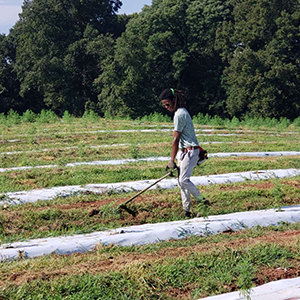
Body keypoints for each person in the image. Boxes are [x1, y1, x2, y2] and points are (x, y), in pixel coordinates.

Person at [159, 88, 208, 218]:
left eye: (167, 104)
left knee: (184, 180)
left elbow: (176, 139)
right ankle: (186, 210)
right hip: (184, 151)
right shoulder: (180, 113)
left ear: (174, 100)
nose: (165, 107)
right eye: (164, 105)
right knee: (181, 182)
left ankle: (202, 202)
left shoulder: (180, 114)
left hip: (190, 151)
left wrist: (171, 160)